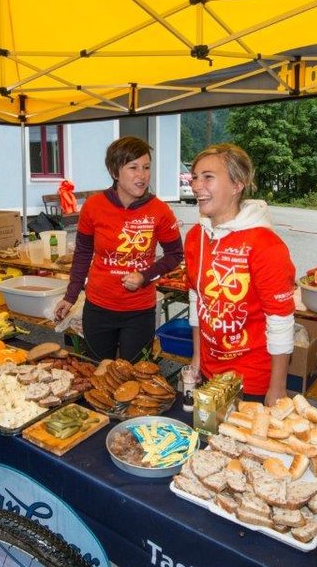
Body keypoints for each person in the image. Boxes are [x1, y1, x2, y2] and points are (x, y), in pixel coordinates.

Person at [184, 144, 297, 406]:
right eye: (195, 177)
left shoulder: (266, 244)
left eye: (208, 177)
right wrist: (197, 358)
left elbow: (280, 321)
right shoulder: (195, 238)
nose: (197, 185)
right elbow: (196, 299)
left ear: (237, 184)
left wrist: (277, 389)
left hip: (252, 381)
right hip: (210, 374)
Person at [53, 135, 183, 361]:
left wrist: (145, 275)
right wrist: (71, 296)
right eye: (133, 167)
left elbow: (175, 255)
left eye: (146, 167)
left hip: (139, 312)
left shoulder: (159, 210)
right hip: (98, 308)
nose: (142, 175)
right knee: (97, 372)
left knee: (132, 376)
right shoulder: (94, 206)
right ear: (115, 172)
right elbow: (83, 253)